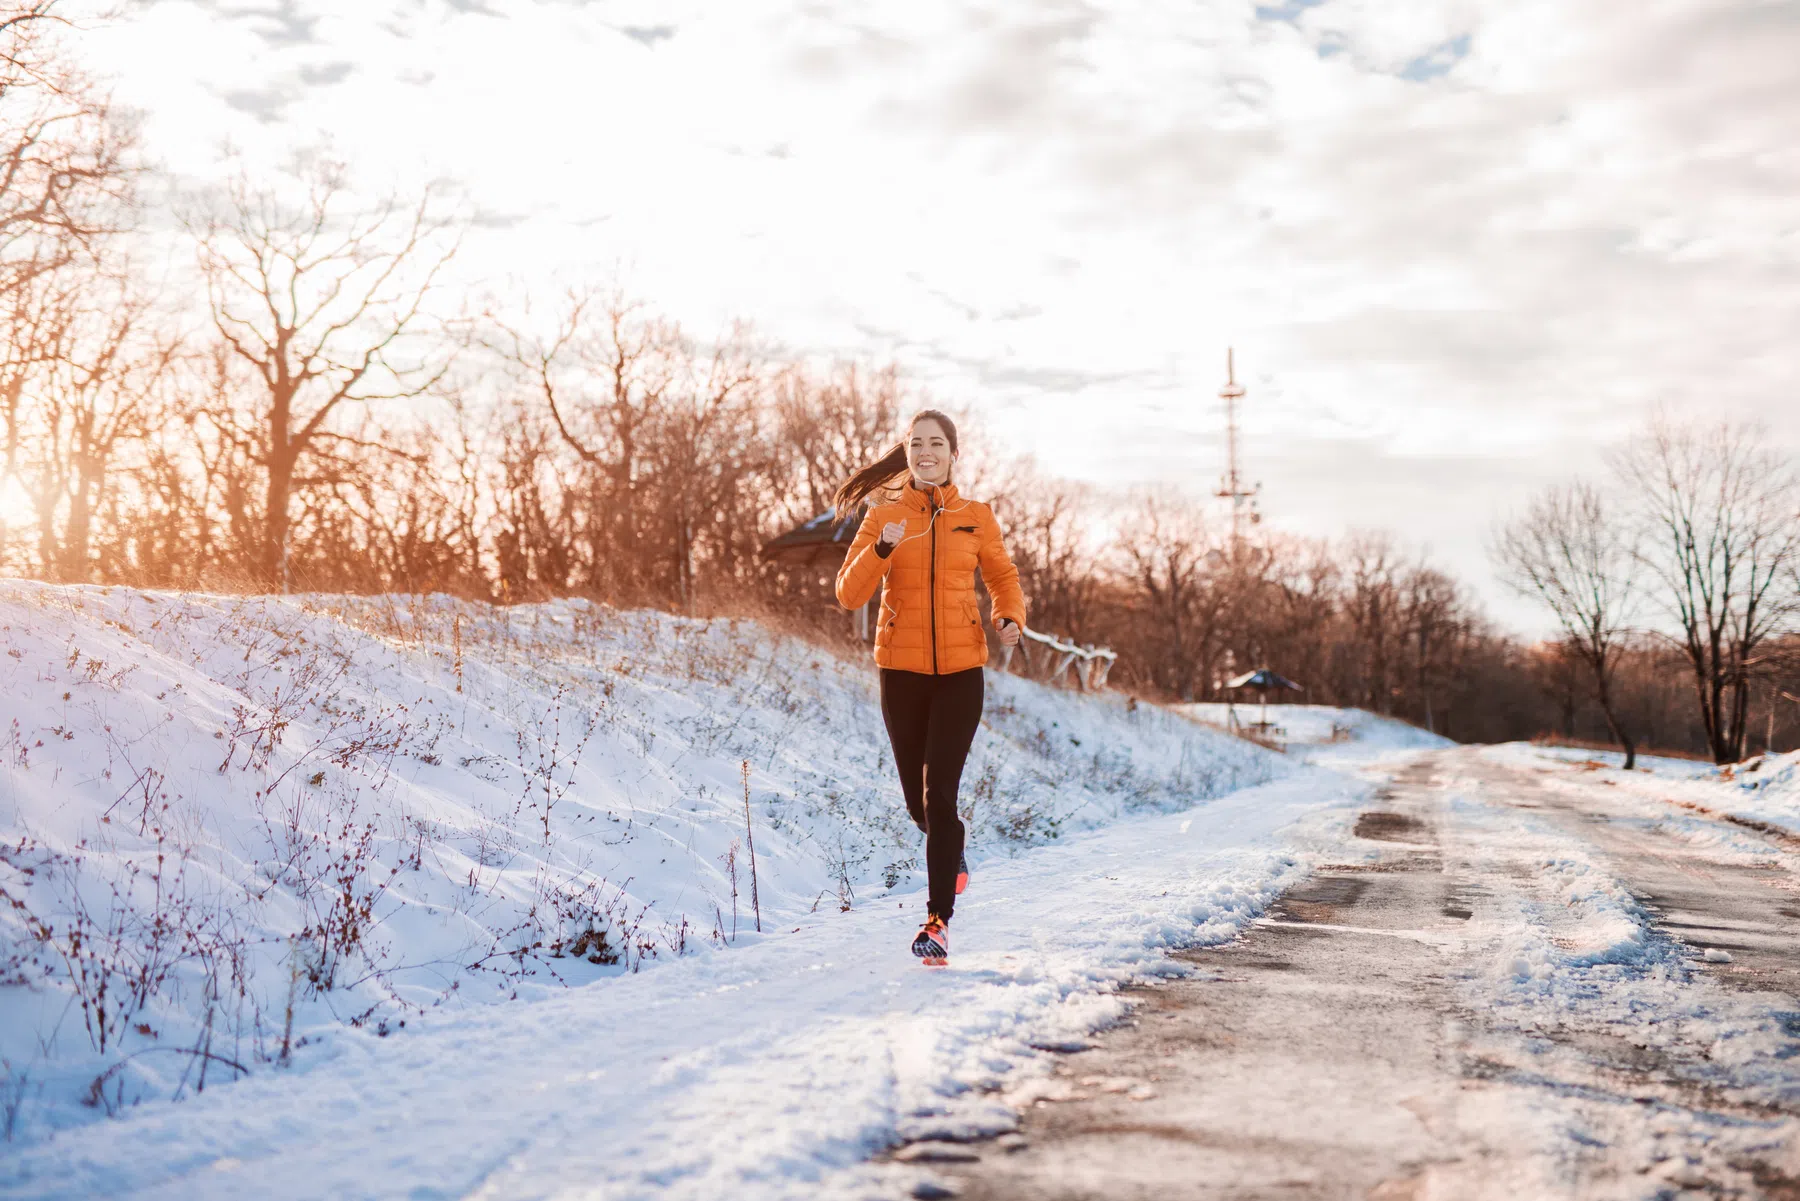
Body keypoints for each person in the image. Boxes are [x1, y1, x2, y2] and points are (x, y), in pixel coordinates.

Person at [834, 409, 1026, 965]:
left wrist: (1008, 615)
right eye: (916, 443)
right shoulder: (883, 515)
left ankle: (937, 921)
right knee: (917, 803)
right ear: (907, 451)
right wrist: (881, 549)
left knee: (940, 796)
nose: (926, 451)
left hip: (963, 672)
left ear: (953, 453)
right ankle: (952, 852)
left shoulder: (976, 516)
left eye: (936, 443)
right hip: (901, 672)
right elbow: (848, 594)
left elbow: (1002, 576)